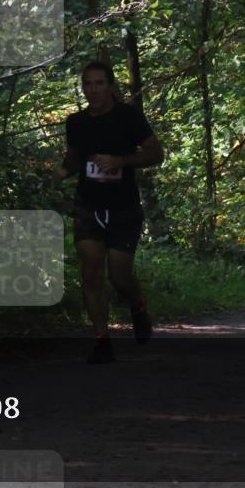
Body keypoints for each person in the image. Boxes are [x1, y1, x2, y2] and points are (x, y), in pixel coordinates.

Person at [55, 61, 164, 364]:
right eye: (88, 84)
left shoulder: (128, 116)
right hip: (88, 205)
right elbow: (76, 157)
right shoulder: (76, 122)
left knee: (119, 276)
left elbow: (157, 153)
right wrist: (60, 172)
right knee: (90, 271)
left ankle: (138, 306)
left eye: (99, 83)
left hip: (123, 207)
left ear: (111, 86)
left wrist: (120, 161)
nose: (93, 90)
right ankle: (102, 340)